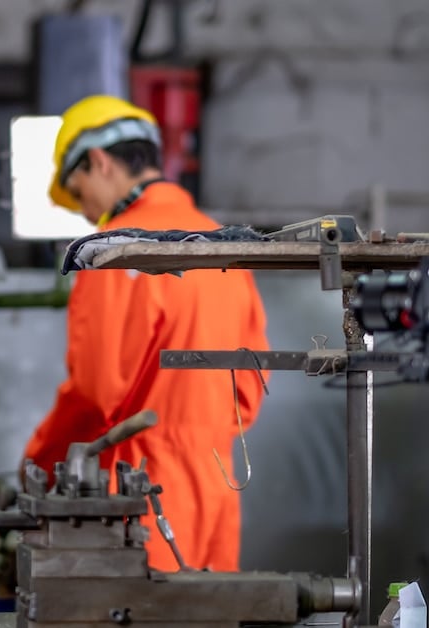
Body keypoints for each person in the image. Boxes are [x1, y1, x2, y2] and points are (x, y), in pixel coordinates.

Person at [21, 95, 270, 572]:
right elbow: (250, 391)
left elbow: (95, 396)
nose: (85, 212)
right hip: (218, 489)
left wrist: (39, 461)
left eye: (77, 193)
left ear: (98, 162)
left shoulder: (116, 250)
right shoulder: (223, 246)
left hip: (142, 495)